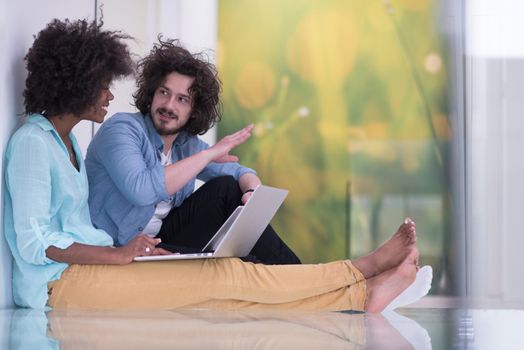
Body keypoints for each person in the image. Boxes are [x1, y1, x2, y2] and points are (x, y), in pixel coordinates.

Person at [4, 18, 420, 312]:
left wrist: (248, 185)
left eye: (182, 98)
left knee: (228, 275)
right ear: (74, 83)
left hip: (100, 261)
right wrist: (117, 255)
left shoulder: (67, 143)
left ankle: (358, 294)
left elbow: (232, 173)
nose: (109, 96)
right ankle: (361, 276)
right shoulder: (38, 144)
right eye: (102, 85)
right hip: (58, 284)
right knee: (227, 281)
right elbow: (33, 243)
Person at [84, 38, 300, 265]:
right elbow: (142, 190)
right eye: (164, 92)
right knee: (240, 239)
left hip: (158, 241)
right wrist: (207, 155)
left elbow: (239, 172)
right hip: (119, 247)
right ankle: (297, 276)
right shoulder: (121, 129)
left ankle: (297, 274)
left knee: (227, 190)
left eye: (182, 99)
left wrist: (252, 191)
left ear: (194, 110)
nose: (169, 106)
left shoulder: (186, 144)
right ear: (151, 94)